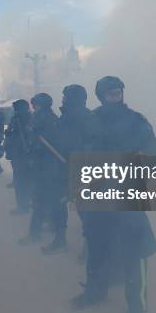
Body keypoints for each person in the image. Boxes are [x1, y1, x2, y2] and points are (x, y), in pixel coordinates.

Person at [71, 76, 156, 313]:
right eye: (110, 93)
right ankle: (95, 292)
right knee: (97, 247)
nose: (116, 95)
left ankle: (137, 307)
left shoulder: (136, 122)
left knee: (135, 251)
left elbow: (155, 159)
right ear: (101, 96)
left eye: (118, 91)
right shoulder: (91, 121)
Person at [42, 84, 94, 255]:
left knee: (82, 208)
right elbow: (60, 140)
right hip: (63, 168)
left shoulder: (85, 118)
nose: (62, 99)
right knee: (62, 205)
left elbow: (89, 144)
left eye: (65, 96)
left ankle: (89, 244)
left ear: (73, 98)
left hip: (78, 170)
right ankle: (62, 239)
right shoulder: (65, 117)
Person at [19, 93, 60, 245]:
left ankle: (34, 233)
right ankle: (50, 224)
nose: (33, 107)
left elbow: (50, 143)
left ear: (42, 105)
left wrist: (36, 138)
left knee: (40, 199)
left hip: (46, 165)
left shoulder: (48, 120)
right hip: (42, 164)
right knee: (46, 198)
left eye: (35, 104)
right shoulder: (43, 118)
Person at [4, 99, 34, 214]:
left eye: (16, 109)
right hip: (18, 153)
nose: (15, 111)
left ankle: (23, 205)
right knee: (23, 179)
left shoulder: (28, 120)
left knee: (22, 181)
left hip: (24, 154)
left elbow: (30, 137)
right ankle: (25, 203)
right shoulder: (17, 119)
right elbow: (10, 134)